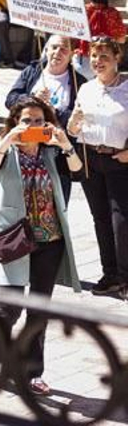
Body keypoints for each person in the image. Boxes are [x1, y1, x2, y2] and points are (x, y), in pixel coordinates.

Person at [0, 95, 84, 395]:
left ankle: (33, 373)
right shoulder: (7, 153)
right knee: (10, 308)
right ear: (14, 124)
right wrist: (7, 140)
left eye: (37, 121)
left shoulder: (51, 153)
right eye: (25, 121)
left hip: (50, 239)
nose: (31, 126)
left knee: (39, 309)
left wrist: (64, 143)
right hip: (16, 240)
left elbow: (78, 170)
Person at [67, 37, 128, 298]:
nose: (97, 61)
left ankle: (126, 277)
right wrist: (73, 123)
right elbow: (73, 128)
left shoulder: (127, 88)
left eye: (104, 56)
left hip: (119, 161)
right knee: (100, 219)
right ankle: (110, 273)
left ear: (117, 58)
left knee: (121, 222)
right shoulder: (86, 89)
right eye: (93, 56)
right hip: (91, 159)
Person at [8, 35, 84, 203]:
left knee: (57, 204)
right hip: (26, 146)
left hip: (56, 152)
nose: (58, 52)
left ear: (72, 54)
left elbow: (77, 119)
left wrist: (53, 112)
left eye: (64, 49)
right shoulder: (33, 70)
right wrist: (31, 98)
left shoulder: (79, 82)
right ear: (46, 50)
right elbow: (11, 99)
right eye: (54, 47)